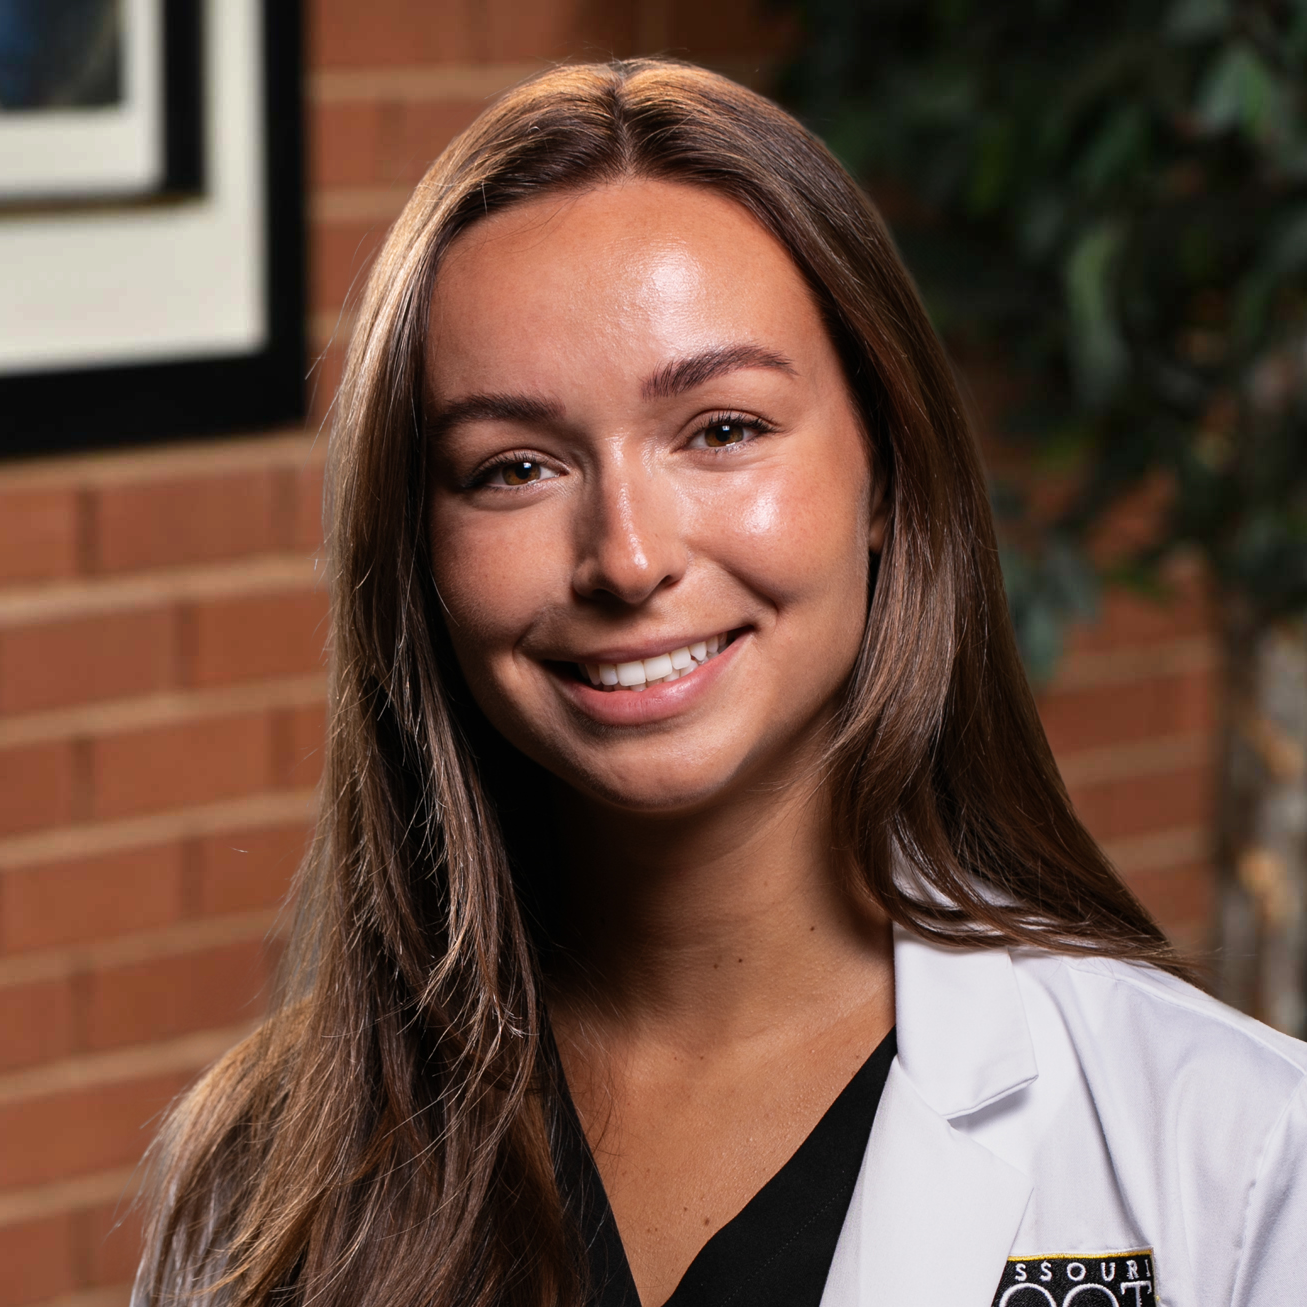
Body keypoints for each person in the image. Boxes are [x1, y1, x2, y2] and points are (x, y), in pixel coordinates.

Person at [133, 59, 1307, 1307]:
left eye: (722, 429)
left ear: (884, 472)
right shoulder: (263, 1178)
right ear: (413, 552)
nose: (627, 558)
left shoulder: (1235, 1154)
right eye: (512, 467)